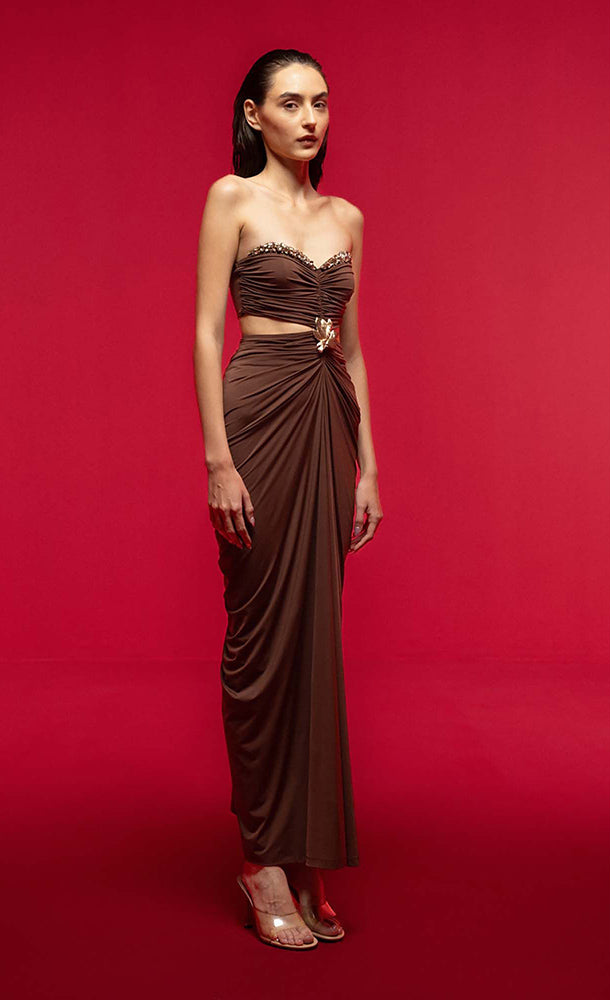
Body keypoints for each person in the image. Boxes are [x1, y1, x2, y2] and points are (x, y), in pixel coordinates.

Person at [193, 49, 383, 951]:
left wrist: (369, 467)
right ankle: (261, 855)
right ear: (253, 114)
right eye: (293, 103)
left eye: (322, 104)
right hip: (258, 417)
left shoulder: (347, 218)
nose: (311, 119)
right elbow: (205, 333)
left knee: (317, 643)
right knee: (262, 641)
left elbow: (352, 348)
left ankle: (306, 851)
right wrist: (217, 461)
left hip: (328, 422)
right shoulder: (231, 199)